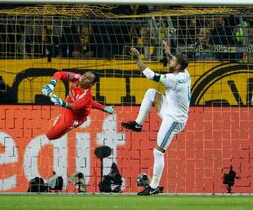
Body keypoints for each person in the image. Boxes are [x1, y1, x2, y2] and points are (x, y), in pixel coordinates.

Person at [121, 41, 190, 195]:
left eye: (172, 61)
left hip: (174, 120)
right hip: (170, 110)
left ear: (177, 66)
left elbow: (150, 75)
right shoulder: (185, 73)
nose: (170, 61)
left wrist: (137, 59)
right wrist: (168, 53)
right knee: (151, 93)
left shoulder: (173, 79)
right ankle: (138, 124)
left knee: (158, 152)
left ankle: (154, 187)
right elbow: (176, 61)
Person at [41, 71, 114, 140]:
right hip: (69, 103)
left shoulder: (87, 95)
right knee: (84, 102)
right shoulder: (77, 77)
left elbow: (75, 106)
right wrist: (52, 84)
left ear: (91, 84)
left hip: (75, 117)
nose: (84, 78)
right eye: (85, 75)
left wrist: (60, 102)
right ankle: (104, 108)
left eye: (88, 79)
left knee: (50, 136)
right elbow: (59, 73)